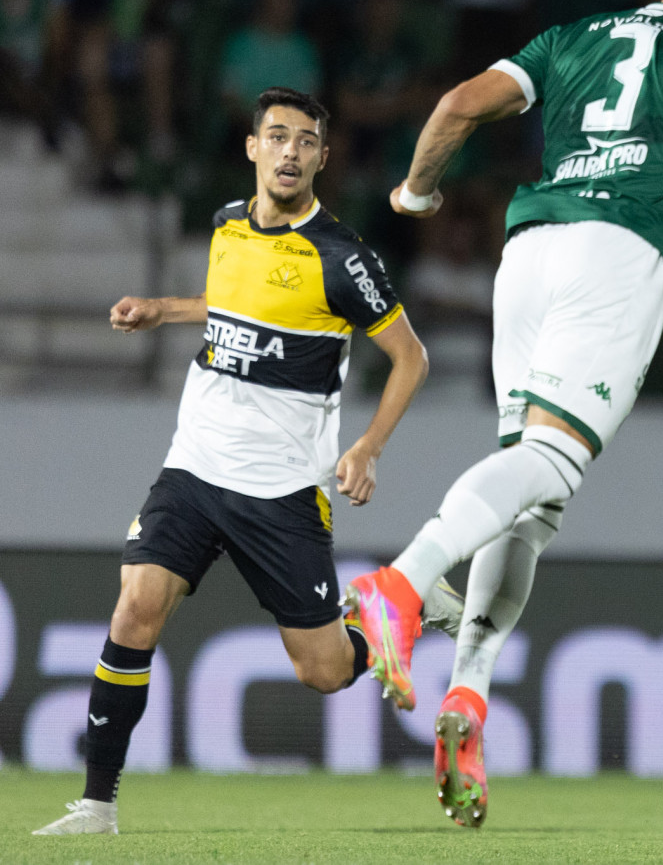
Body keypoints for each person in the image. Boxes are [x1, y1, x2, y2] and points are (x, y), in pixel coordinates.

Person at [348, 0, 663, 829]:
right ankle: (403, 583)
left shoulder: (571, 36)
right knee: (552, 462)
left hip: (529, 252)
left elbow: (458, 105)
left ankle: (468, 695)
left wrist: (416, 192)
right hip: (618, 250)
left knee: (530, 495)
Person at [33, 89, 442, 837]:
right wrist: (162, 308)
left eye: (306, 141)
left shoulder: (343, 258)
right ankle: (97, 804)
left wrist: (368, 447)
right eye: (277, 137)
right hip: (193, 467)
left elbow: (411, 357)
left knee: (320, 671)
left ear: (323, 156)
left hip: (281, 488)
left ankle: (385, 613)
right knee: (135, 608)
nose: (290, 152)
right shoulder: (227, 224)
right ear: (253, 147)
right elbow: (230, 305)